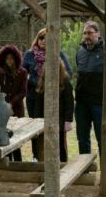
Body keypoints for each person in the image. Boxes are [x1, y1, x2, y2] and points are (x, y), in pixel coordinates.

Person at [75, 20, 106, 156]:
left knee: (103, 138)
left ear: (98, 34)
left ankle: (105, 172)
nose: (86, 36)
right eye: (84, 33)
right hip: (81, 104)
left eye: (90, 33)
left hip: (99, 104)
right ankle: (85, 172)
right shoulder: (80, 52)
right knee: (82, 139)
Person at [23, 28, 72, 160]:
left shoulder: (58, 53)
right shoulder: (29, 54)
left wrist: (53, 80)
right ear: (37, 39)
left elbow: (69, 71)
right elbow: (23, 73)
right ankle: (36, 156)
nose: (43, 41)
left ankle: (59, 158)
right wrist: (37, 81)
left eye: (46, 38)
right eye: (41, 38)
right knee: (37, 129)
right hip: (34, 96)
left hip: (55, 97)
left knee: (57, 130)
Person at [0, 44, 28, 161]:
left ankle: (18, 163)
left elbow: (23, 92)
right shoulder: (0, 72)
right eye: (7, 58)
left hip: (17, 109)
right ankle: (7, 163)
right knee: (4, 135)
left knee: (16, 138)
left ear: (16, 59)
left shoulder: (23, 72)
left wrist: (11, 104)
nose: (9, 61)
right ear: (3, 59)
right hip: (3, 111)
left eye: (11, 58)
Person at [35, 59, 74, 162]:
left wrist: (67, 120)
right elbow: (38, 104)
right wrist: (37, 120)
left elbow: (69, 103)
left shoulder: (65, 81)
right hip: (45, 119)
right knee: (43, 144)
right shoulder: (43, 81)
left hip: (60, 120)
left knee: (60, 144)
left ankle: (63, 165)